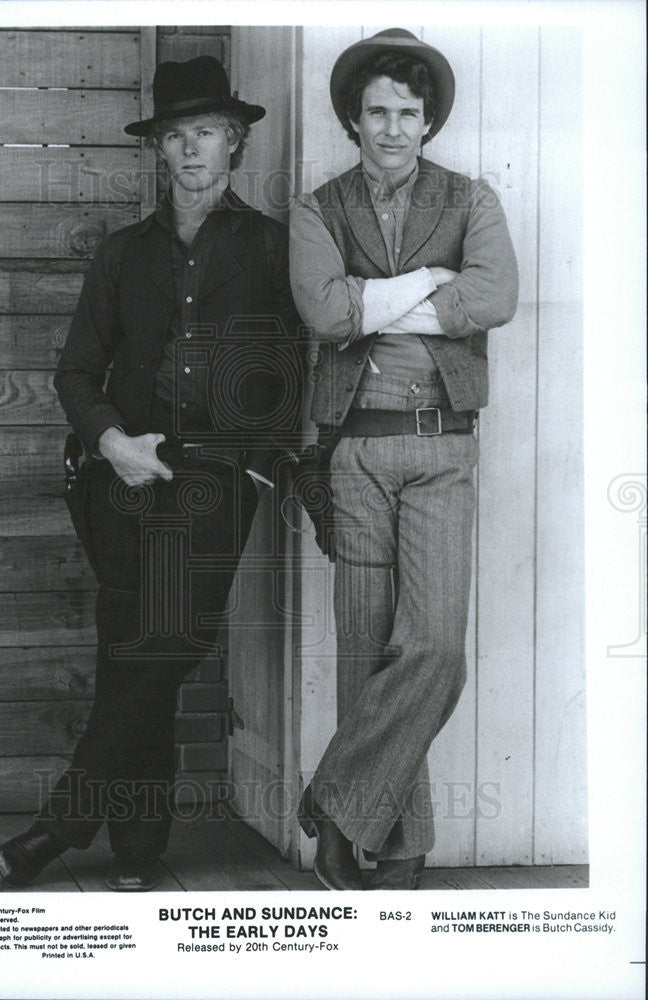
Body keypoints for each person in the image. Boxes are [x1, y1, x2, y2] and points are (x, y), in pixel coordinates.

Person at [0, 56, 300, 891]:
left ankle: (64, 822)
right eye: (176, 136)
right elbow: (75, 373)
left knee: (162, 644)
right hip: (120, 482)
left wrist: (263, 461)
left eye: (206, 133)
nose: (190, 149)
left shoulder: (272, 248)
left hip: (217, 484)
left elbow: (298, 368)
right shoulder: (124, 255)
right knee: (135, 650)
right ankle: (135, 849)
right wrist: (112, 443)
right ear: (159, 150)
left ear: (234, 143)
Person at [290, 29, 518, 890]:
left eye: (408, 114)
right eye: (377, 112)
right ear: (354, 118)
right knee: (365, 649)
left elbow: (495, 295)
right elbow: (322, 312)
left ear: (428, 123)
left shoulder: (471, 199)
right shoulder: (318, 207)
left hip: (440, 448)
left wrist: (373, 303)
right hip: (353, 450)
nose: (392, 128)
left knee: (434, 647)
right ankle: (392, 842)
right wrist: (430, 282)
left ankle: (332, 801)